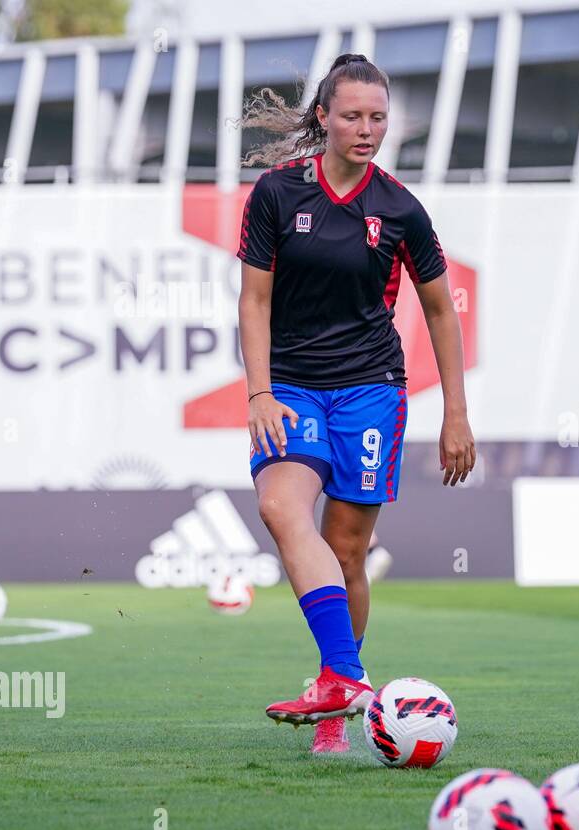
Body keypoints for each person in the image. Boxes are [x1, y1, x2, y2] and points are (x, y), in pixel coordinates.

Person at [238, 53, 475, 754]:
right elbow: (253, 300)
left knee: (347, 553)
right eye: (352, 116)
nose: (366, 129)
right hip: (289, 384)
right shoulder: (278, 195)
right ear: (324, 117)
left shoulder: (399, 207)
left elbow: (441, 311)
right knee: (281, 507)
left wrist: (454, 412)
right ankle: (344, 674)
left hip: (371, 390)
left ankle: (337, 709)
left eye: (377, 117)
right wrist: (258, 390)